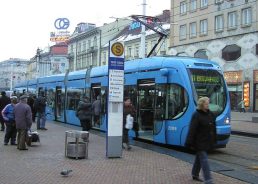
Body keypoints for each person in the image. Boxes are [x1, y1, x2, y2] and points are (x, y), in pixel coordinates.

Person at [185, 97, 216, 184]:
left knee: (199, 158)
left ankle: (194, 174)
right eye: (206, 103)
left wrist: (214, 139)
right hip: (199, 142)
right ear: (201, 104)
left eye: (208, 103)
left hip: (207, 141)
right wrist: (188, 142)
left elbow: (213, 128)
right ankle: (208, 180)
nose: (208, 105)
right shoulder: (196, 115)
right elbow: (192, 129)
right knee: (204, 160)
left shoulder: (210, 114)